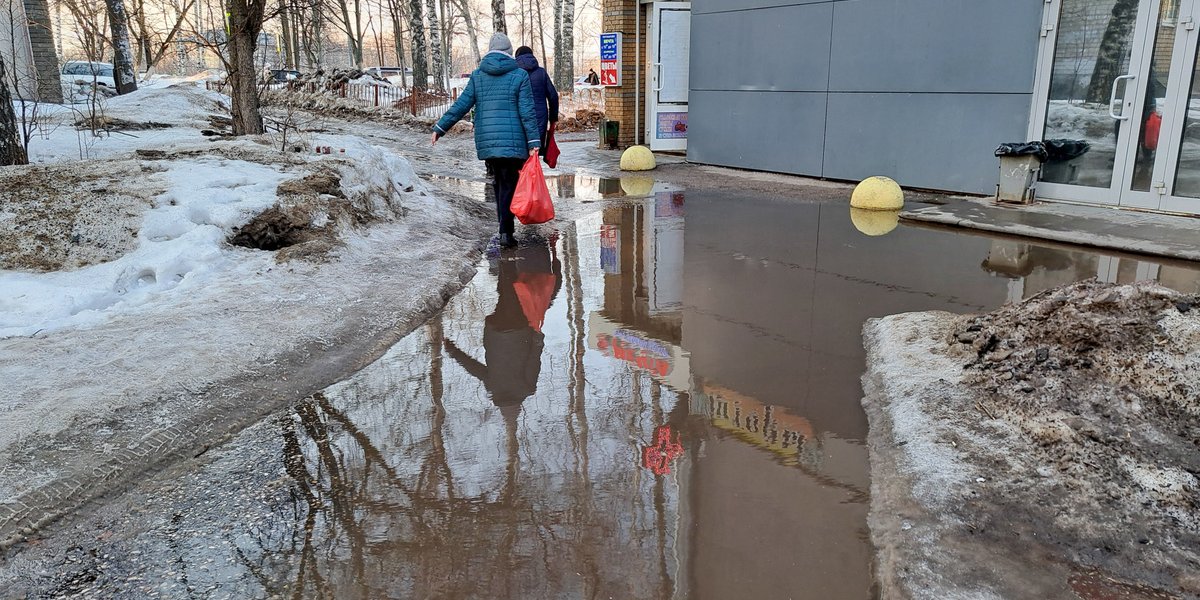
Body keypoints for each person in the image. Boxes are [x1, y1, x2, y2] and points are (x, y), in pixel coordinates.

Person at [432, 32, 540, 248]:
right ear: (509, 52)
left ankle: (504, 227)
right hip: (513, 141)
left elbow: (461, 104)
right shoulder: (519, 75)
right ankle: (506, 232)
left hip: (488, 141)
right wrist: (534, 142)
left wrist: (440, 127)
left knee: (499, 182)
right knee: (508, 183)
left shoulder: (478, 76)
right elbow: (527, 112)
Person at [514, 46, 559, 156]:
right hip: (539, 116)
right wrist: (553, 118)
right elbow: (553, 96)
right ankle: (533, 166)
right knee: (535, 150)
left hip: (518, 117)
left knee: (519, 151)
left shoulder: (514, 73)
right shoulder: (541, 73)